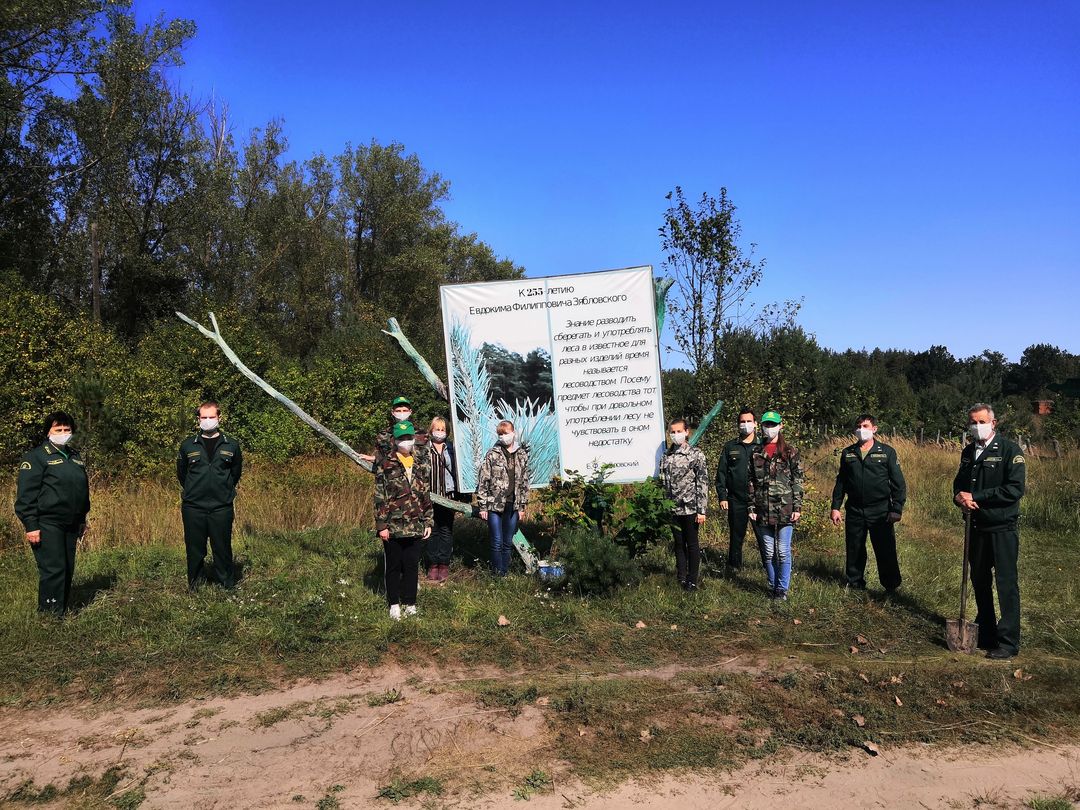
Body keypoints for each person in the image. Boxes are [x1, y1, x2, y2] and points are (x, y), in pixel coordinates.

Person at [952, 403, 1025, 660]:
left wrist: (978, 496)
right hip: (976, 527)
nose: (977, 426)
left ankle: (1008, 641)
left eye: (982, 422)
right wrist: (960, 498)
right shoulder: (968, 452)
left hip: (1001, 527)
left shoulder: (1010, 451)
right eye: (973, 422)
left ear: (993, 423)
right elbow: (959, 484)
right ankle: (986, 631)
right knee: (980, 581)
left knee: (1006, 584)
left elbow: (1014, 490)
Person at [15, 412, 90, 615]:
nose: (63, 433)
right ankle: (49, 614)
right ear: (49, 431)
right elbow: (25, 496)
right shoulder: (36, 457)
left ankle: (61, 608)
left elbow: (82, 489)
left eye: (67, 430)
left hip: (72, 521)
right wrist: (31, 525)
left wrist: (82, 519)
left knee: (67, 566)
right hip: (48, 521)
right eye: (58, 429)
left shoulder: (75, 456)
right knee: (53, 567)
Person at [830, 414, 907, 592]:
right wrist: (835, 507)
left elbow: (898, 484)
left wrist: (897, 508)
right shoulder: (848, 453)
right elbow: (841, 481)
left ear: (874, 429)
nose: (861, 430)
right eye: (858, 426)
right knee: (854, 548)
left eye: (865, 426)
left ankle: (891, 586)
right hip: (855, 510)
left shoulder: (887, 452)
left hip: (881, 511)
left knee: (885, 549)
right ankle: (855, 583)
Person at [177, 401, 243, 590]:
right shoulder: (188, 445)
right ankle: (195, 585)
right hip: (193, 507)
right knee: (195, 549)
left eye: (211, 417)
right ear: (198, 420)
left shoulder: (231, 445)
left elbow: (235, 473)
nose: (207, 421)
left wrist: (223, 489)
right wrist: (195, 490)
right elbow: (182, 474)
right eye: (203, 417)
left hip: (221, 506)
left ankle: (226, 584)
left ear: (219, 418)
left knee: (222, 548)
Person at [374, 421, 433, 619]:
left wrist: (428, 521)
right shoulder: (386, 464)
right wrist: (381, 525)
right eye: (401, 438)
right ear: (394, 440)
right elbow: (380, 496)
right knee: (393, 565)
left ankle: (410, 603)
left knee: (411, 565)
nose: (405, 442)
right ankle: (394, 604)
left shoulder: (420, 463)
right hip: (393, 525)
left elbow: (425, 495)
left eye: (409, 438)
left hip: (416, 523)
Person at [748, 411, 804, 600]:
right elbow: (750, 482)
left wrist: (797, 507)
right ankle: (772, 585)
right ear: (761, 427)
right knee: (769, 551)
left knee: (783, 551)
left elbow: (797, 480)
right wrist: (751, 507)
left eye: (773, 424)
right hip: (763, 509)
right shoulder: (756, 452)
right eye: (766, 425)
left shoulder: (790, 452)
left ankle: (782, 589)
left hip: (785, 509)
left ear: (781, 426)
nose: (769, 428)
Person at [658, 418, 708, 591]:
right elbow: (662, 481)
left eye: (679, 431)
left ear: (687, 432)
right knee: (678, 543)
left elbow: (702, 482)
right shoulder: (666, 455)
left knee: (692, 543)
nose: (675, 435)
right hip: (673, 508)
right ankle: (681, 577)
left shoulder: (696, 454)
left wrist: (701, 510)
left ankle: (692, 580)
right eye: (672, 432)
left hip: (691, 507)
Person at [476, 420, 529, 576]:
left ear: (513, 433)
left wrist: (522, 506)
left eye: (506, 433)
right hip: (494, 505)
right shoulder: (492, 453)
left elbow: (525, 482)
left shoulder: (521, 454)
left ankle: (503, 573)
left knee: (507, 542)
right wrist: (483, 506)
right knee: (497, 541)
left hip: (513, 505)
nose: (503, 436)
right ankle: (496, 573)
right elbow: (483, 480)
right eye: (500, 434)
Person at [715, 408, 759, 574]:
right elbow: (721, 474)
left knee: (763, 536)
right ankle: (734, 567)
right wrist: (722, 496)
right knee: (736, 535)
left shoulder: (762, 446)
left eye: (749, 421)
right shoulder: (730, 447)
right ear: (738, 424)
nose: (745, 425)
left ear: (755, 424)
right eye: (742, 421)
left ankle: (768, 567)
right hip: (735, 499)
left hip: (758, 501)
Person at [425, 416, 459, 582]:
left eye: (443, 429)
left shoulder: (452, 448)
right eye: (436, 429)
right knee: (432, 530)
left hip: (448, 495)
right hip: (430, 496)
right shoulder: (424, 448)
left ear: (447, 432)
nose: (439, 432)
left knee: (446, 530)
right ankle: (433, 564)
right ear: (431, 430)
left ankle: (443, 564)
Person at [362, 396, 425, 463]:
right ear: (392, 412)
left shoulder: (421, 433)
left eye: (405, 411)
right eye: (398, 411)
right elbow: (380, 455)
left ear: (410, 412)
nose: (402, 413)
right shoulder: (383, 434)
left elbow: (426, 457)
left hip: (415, 471)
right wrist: (371, 458)